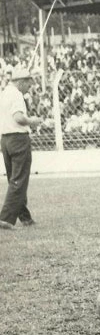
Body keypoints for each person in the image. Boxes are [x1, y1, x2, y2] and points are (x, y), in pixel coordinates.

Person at [0, 68, 42, 230]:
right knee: (19, 180)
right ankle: (5, 219)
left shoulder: (4, 93)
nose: (28, 89)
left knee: (15, 179)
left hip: (6, 139)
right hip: (18, 138)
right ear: (22, 82)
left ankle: (25, 217)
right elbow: (18, 117)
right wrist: (33, 121)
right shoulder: (16, 95)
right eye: (28, 85)